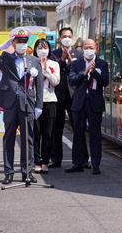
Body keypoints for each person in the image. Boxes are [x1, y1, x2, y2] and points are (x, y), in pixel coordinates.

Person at [0, 27, 44, 185]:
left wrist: (39, 106)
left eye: (25, 41)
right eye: (19, 41)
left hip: (27, 103)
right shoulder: (5, 58)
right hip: (10, 103)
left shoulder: (34, 61)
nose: (22, 44)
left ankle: (27, 172)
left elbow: (38, 85)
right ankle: (8, 172)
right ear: (13, 42)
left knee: (28, 139)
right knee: (9, 138)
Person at [66, 39, 109, 175]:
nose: (88, 50)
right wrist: (84, 73)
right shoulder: (76, 64)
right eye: (86, 47)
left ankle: (95, 164)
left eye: (91, 47)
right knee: (78, 133)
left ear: (96, 48)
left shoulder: (102, 64)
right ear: (82, 49)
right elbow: (72, 80)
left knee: (95, 134)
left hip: (94, 102)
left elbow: (105, 82)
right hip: (79, 102)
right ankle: (78, 162)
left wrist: (94, 72)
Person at [49, 27, 89, 169]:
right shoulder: (53, 54)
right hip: (59, 95)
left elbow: (81, 73)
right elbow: (52, 71)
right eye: (64, 36)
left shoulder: (78, 53)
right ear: (59, 39)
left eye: (69, 36)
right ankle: (55, 159)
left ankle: (83, 158)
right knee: (56, 128)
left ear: (72, 38)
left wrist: (72, 61)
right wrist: (62, 60)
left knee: (78, 127)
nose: (67, 38)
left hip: (75, 95)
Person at [32, 38, 61, 174]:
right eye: (40, 47)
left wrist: (46, 71)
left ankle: (45, 161)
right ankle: (36, 161)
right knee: (36, 133)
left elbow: (56, 82)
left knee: (48, 133)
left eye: (45, 47)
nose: (42, 49)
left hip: (50, 100)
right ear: (35, 49)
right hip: (35, 102)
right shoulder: (31, 62)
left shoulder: (54, 64)